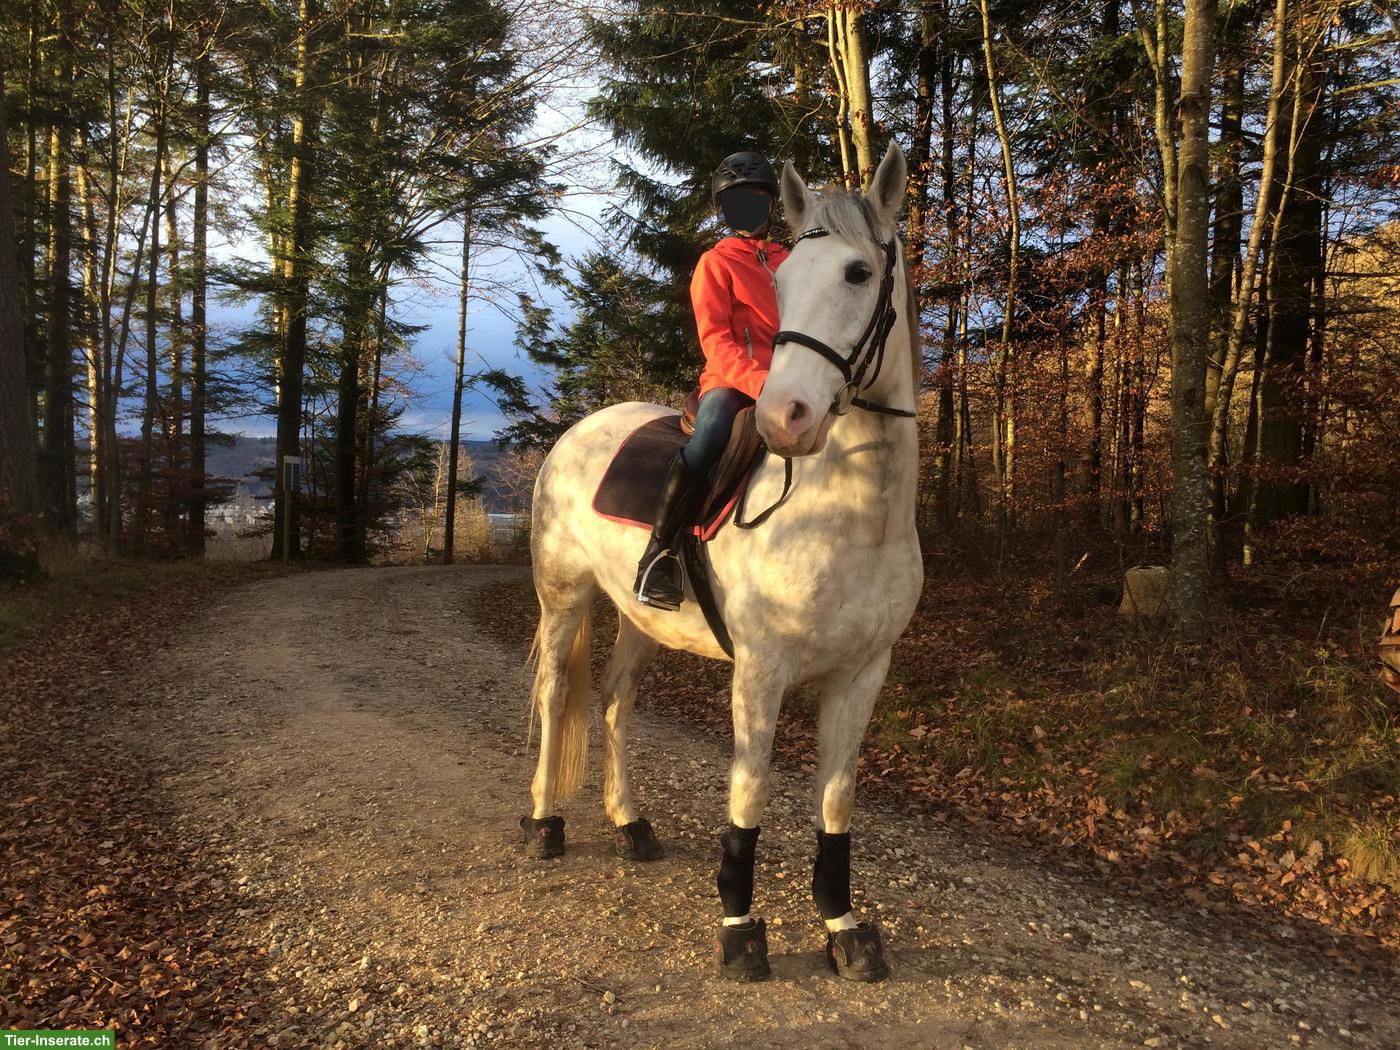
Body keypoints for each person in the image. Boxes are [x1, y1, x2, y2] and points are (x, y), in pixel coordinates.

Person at [633, 151, 789, 611]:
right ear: (724, 210)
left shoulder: (792, 261)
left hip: (793, 378)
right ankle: (659, 553)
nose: (747, 208)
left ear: (770, 204)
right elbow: (716, 340)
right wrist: (761, 383)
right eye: (736, 202)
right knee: (710, 437)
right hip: (732, 380)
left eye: (755, 198)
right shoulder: (715, 264)